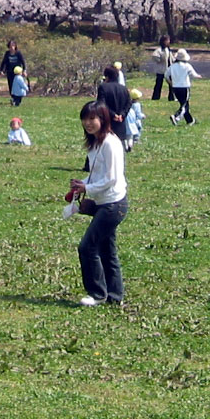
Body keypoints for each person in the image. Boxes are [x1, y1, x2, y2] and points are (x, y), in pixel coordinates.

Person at [66, 99, 128, 307]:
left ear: (103, 119)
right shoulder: (95, 143)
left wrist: (88, 189)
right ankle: (115, 296)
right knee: (106, 249)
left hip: (113, 204)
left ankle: (97, 293)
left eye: (92, 118)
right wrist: (82, 183)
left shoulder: (111, 143)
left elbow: (112, 178)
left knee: (87, 247)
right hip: (103, 202)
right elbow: (97, 175)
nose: (88, 123)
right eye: (85, 119)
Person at [96, 65, 132, 143]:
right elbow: (129, 103)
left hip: (107, 123)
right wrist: (122, 115)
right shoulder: (124, 88)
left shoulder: (103, 87)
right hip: (121, 123)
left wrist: (113, 115)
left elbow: (101, 104)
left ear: (107, 76)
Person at [167, 49, 201, 125]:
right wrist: (198, 76)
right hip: (185, 87)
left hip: (175, 88)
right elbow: (193, 74)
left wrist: (170, 83)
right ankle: (176, 116)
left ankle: (190, 120)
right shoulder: (187, 66)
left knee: (184, 103)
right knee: (184, 105)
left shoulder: (172, 66)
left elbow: (166, 75)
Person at [150, 35, 173, 101]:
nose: (168, 42)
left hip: (169, 70)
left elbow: (171, 58)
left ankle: (171, 97)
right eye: (167, 40)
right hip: (161, 70)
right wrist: (159, 60)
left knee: (171, 84)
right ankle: (156, 97)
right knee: (158, 84)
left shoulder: (168, 50)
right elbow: (154, 56)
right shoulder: (159, 50)